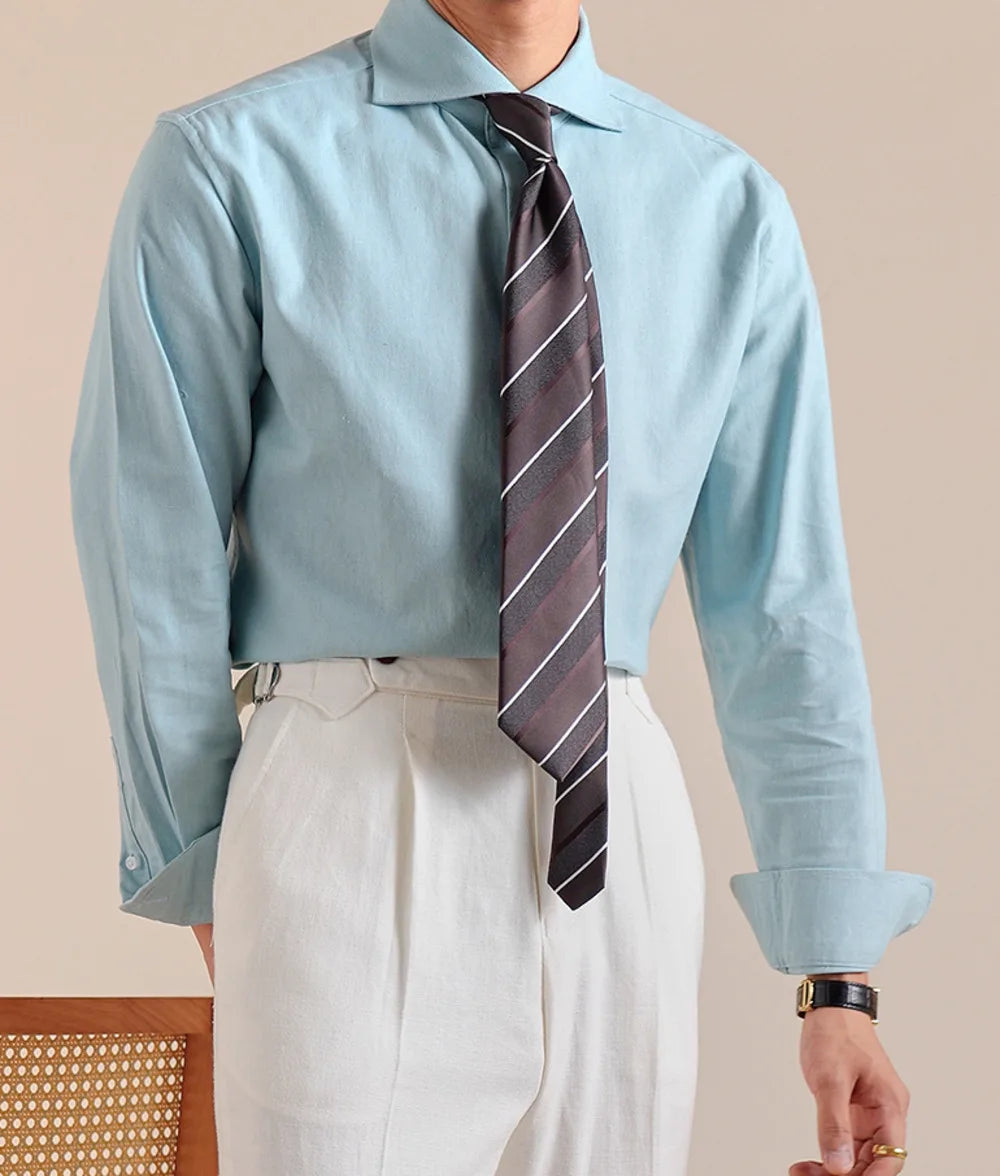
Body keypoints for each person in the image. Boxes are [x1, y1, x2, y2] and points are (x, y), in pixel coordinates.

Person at [68, 0, 935, 1172]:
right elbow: (149, 540)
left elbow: (785, 608)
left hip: (618, 818)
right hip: (348, 794)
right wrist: (210, 870)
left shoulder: (725, 205)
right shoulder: (232, 161)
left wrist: (838, 978)